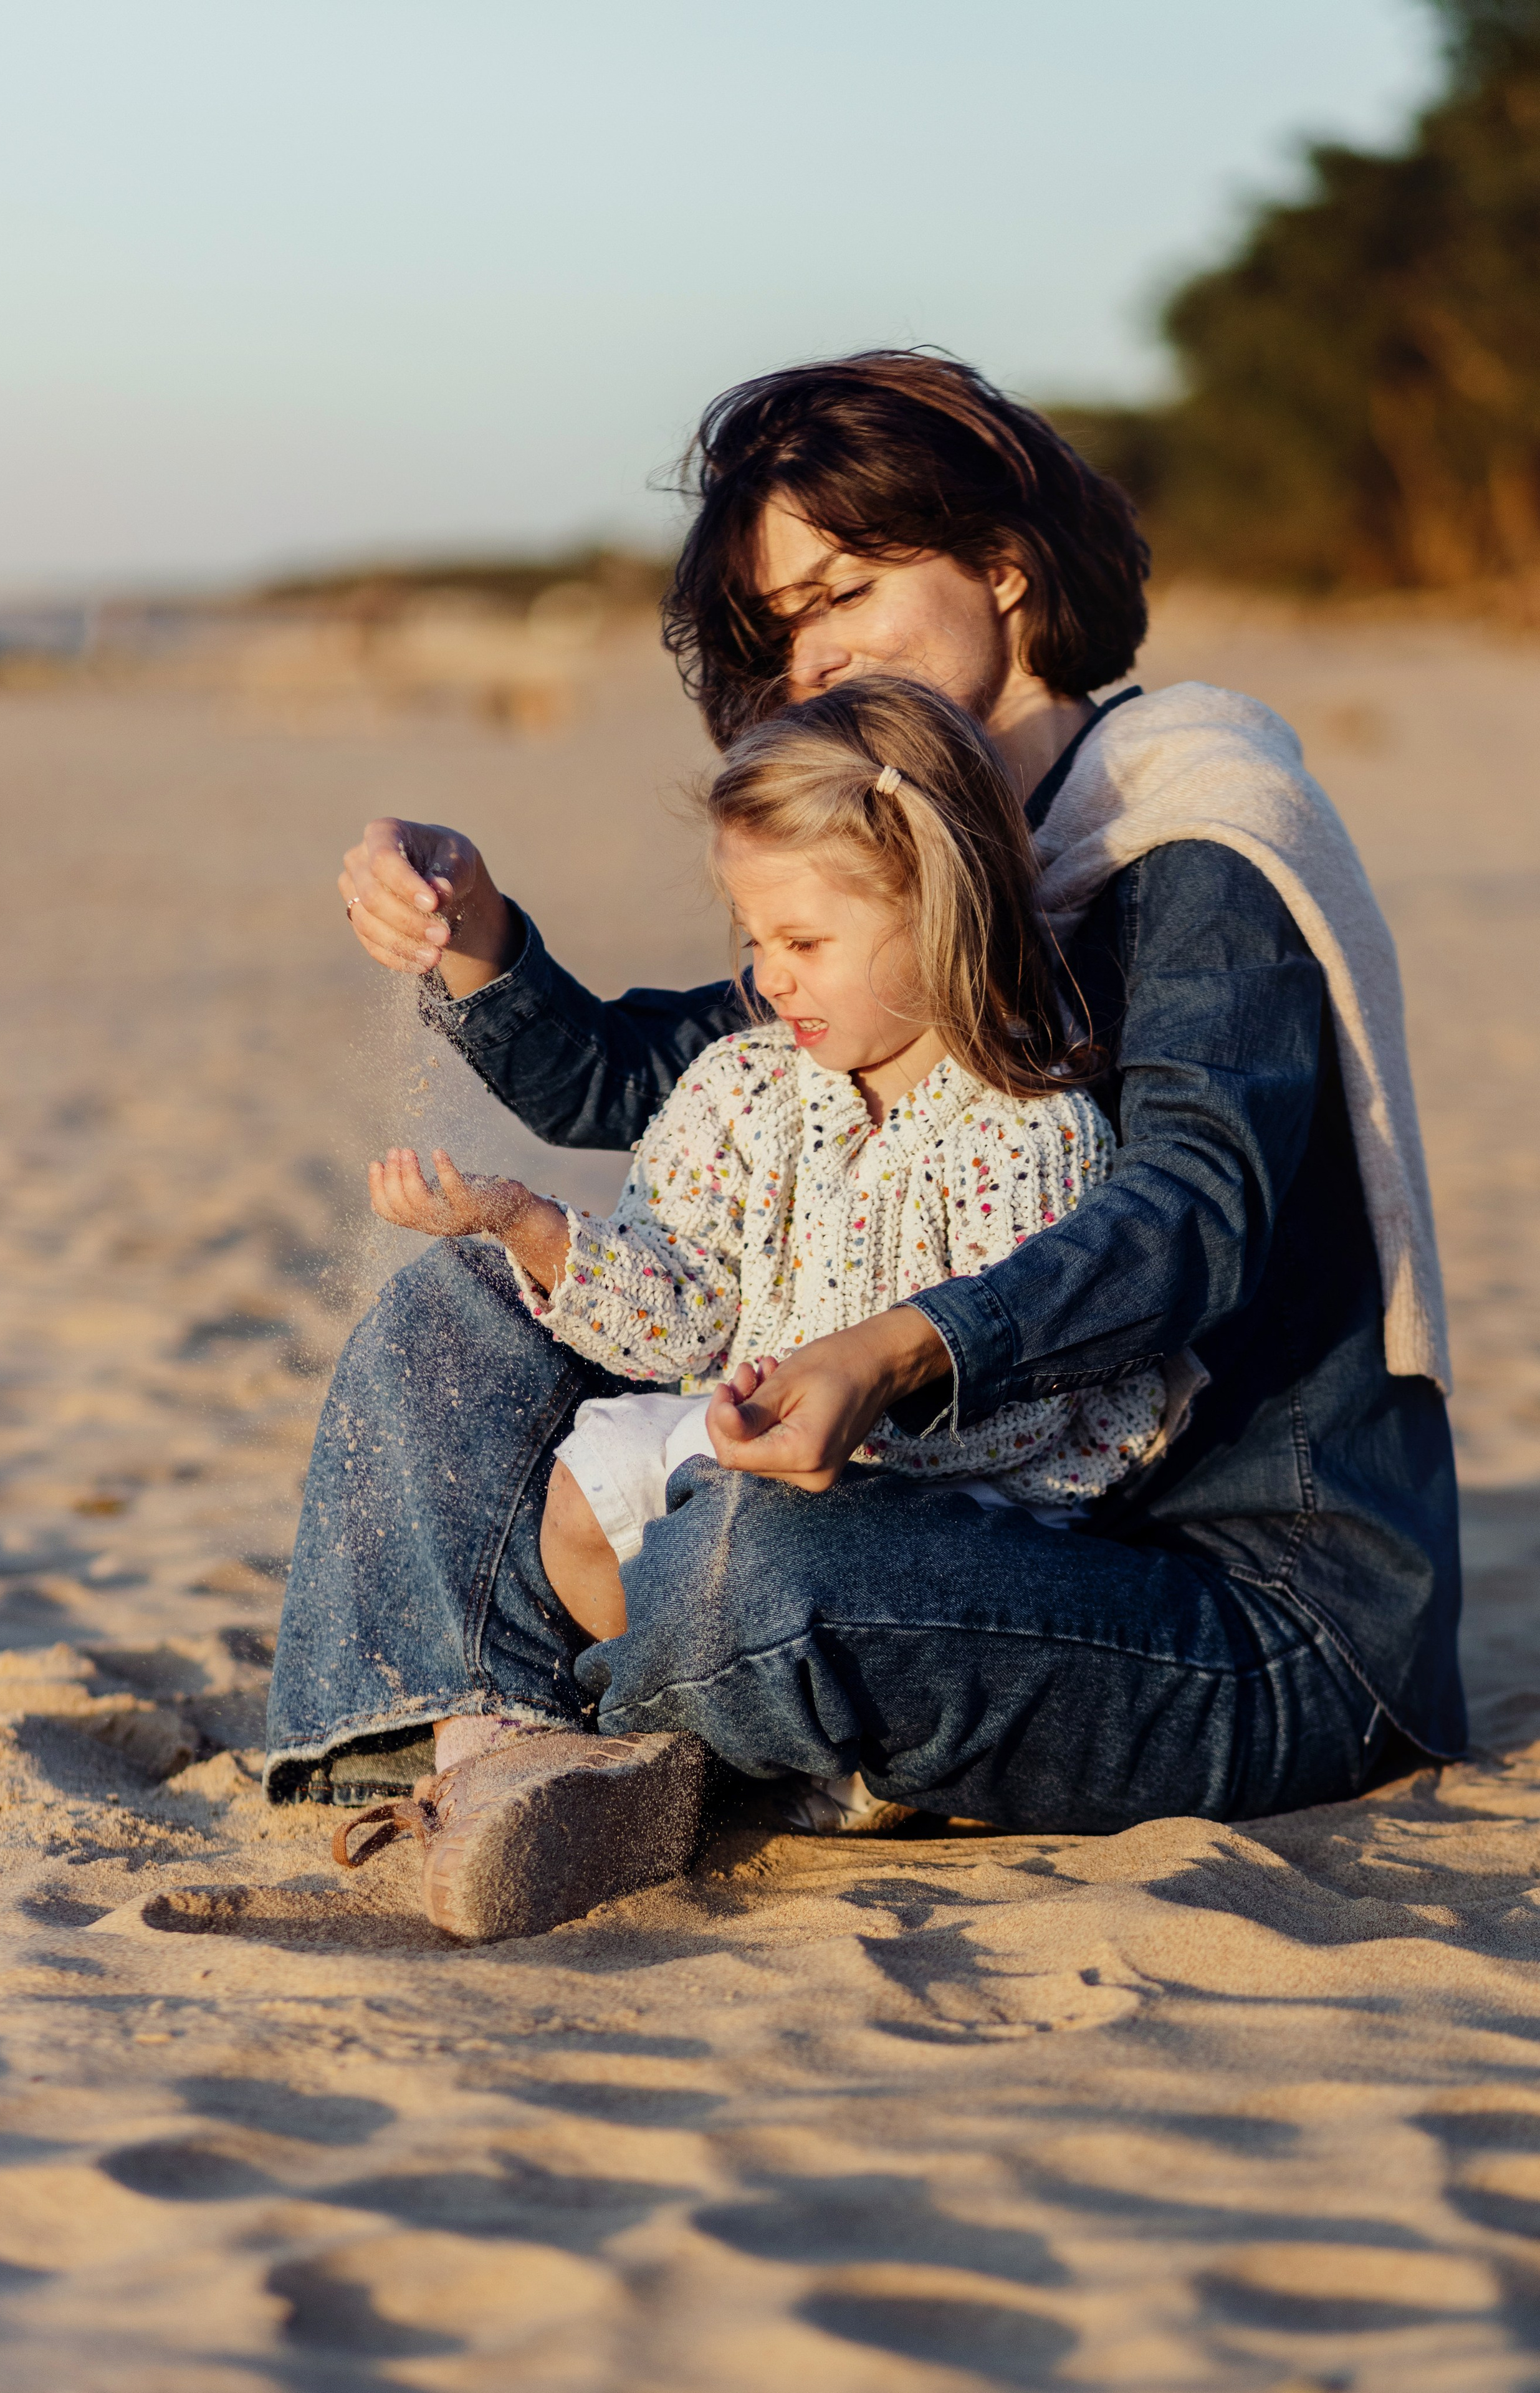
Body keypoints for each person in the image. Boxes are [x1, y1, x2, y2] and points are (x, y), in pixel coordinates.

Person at [271, 350, 1463, 1944]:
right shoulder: (893, 867)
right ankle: (483, 1745)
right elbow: (648, 1076)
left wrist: (895, 1351)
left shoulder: (1191, 844)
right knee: (463, 1303)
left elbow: (1194, 1210)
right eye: (781, 629)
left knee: (752, 1564)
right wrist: (471, 934)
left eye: (843, 593)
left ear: (1004, 566)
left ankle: (602, 1721)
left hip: (1227, 1596)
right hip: (949, 1523)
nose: (812, 655)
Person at [337, 678, 1169, 1920]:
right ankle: (681, 1740)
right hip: (752, 1445)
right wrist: (527, 1224)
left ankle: (781, 1746)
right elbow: (683, 1311)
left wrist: (858, 1417)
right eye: (754, 938)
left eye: (806, 944)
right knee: (589, 1481)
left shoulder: (1029, 1128)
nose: (769, 976)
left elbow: (1036, 1403)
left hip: (958, 1497)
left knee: (757, 1541)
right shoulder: (740, 1090)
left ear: (939, 911)